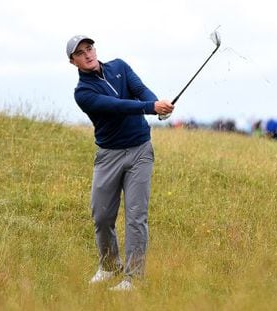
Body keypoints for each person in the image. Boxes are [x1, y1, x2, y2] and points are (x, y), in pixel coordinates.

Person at [66, 35, 174, 291]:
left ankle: (133, 279)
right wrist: (151, 107)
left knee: (136, 216)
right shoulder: (83, 93)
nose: (88, 54)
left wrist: (158, 104)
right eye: (80, 53)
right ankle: (108, 266)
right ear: (73, 62)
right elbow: (116, 106)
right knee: (102, 215)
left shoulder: (120, 67)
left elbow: (141, 90)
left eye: (89, 48)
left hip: (140, 150)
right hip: (108, 156)